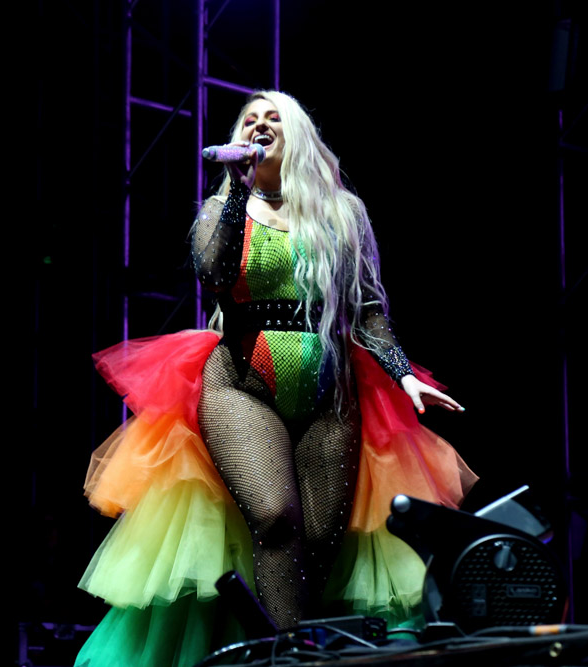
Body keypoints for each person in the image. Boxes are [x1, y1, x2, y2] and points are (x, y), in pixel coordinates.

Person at [74, 91, 476, 667]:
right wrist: (237, 188)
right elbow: (212, 275)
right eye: (250, 121)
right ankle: (281, 660)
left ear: (298, 137)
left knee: (318, 540)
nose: (260, 126)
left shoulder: (343, 213)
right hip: (240, 378)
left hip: (330, 384)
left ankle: (293, 647)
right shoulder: (221, 208)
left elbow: (367, 309)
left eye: (273, 120)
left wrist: (403, 375)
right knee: (275, 520)